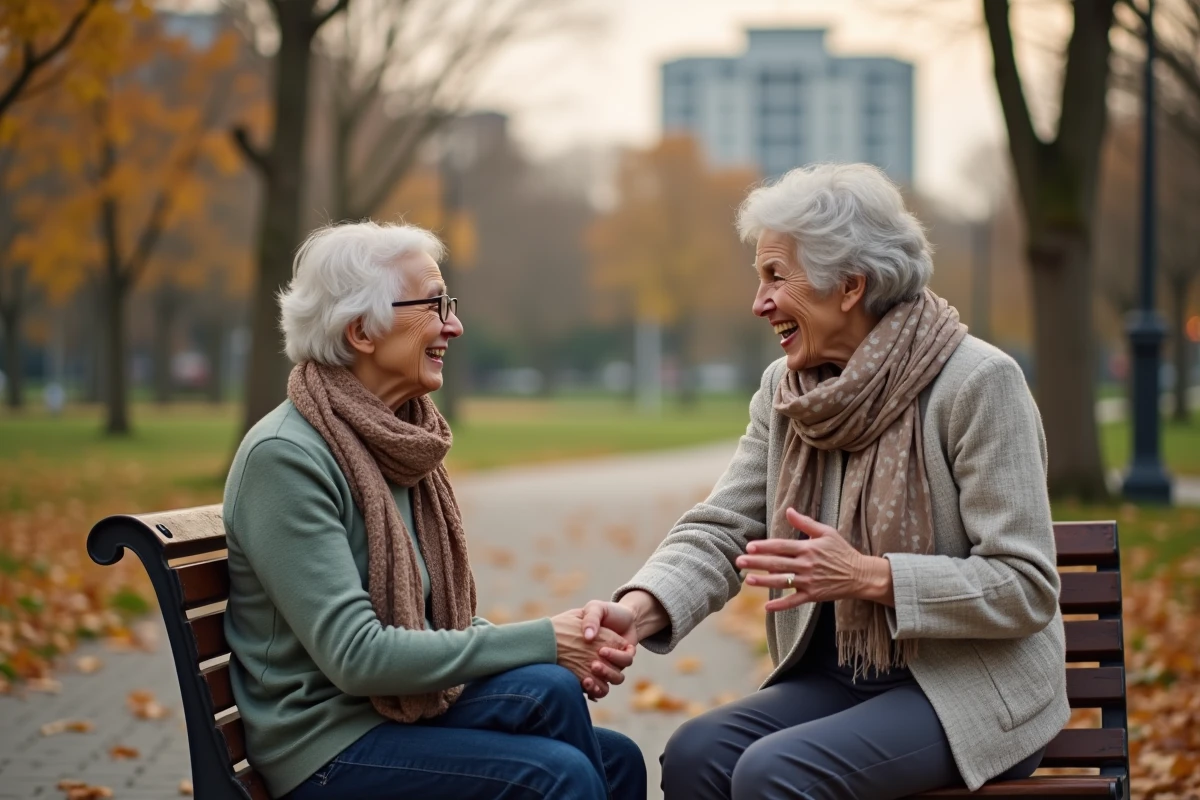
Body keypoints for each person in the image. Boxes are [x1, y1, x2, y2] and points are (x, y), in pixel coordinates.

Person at [578, 163, 1068, 800]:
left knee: (773, 773)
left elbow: (1026, 585)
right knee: (697, 755)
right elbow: (724, 527)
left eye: (775, 276)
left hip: (968, 688)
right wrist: (640, 610)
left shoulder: (977, 383)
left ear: (850, 286)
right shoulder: (788, 393)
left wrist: (871, 576)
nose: (759, 302)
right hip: (842, 679)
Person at [223, 221, 646, 800]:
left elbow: (435, 624)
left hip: (396, 711)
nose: (454, 324)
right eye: (435, 305)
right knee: (560, 776)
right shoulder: (286, 457)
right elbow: (357, 656)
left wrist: (565, 644)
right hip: (323, 745)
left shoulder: (397, 441)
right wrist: (548, 638)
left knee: (600, 742)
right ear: (361, 331)